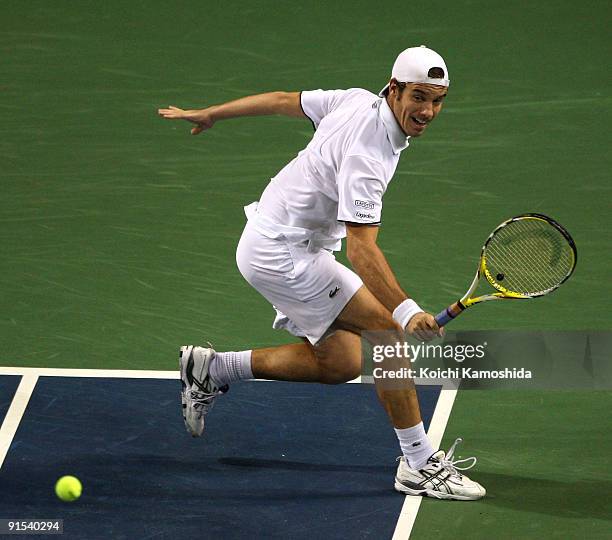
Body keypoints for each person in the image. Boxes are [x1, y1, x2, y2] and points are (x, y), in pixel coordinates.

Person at [158, 45, 485, 500]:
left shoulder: (355, 98)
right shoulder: (368, 157)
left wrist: (216, 113)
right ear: (394, 90)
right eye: (418, 97)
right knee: (389, 334)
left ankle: (212, 369)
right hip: (282, 253)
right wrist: (406, 310)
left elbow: (279, 100)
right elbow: (361, 249)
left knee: (341, 363)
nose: (427, 110)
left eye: (437, 99)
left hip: (280, 239)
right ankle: (419, 463)